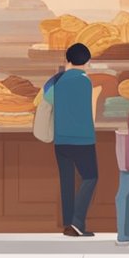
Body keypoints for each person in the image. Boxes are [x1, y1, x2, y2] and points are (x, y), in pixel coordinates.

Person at [44, 43, 98, 237]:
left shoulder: (58, 81)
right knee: (90, 177)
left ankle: (68, 223)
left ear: (67, 59)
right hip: (82, 139)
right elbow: (89, 111)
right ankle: (76, 223)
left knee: (66, 180)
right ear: (87, 61)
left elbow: (47, 100)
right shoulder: (85, 81)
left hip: (61, 140)